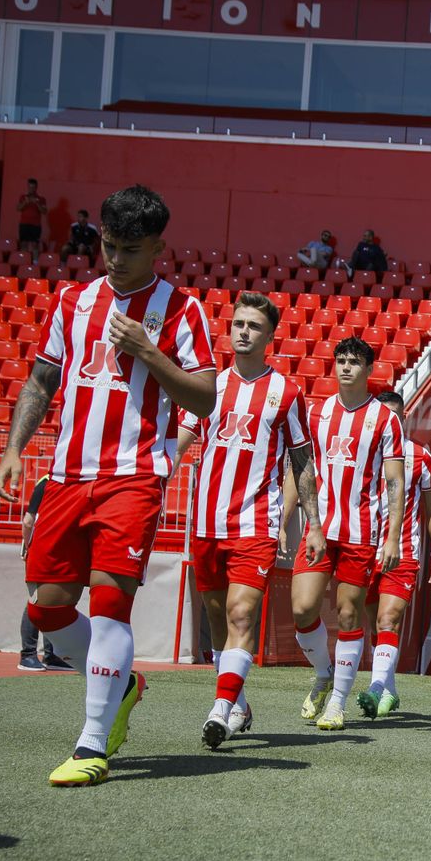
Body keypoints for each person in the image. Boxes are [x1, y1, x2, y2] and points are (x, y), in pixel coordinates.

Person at [0, 184, 216, 787]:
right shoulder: (71, 301)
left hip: (134, 475)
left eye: (130, 249)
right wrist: (15, 449)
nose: (116, 260)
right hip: (66, 475)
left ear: (158, 248)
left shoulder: (180, 310)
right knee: (45, 609)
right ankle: (123, 684)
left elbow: (205, 396)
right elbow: (43, 379)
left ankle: (92, 744)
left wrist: (149, 351)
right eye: (109, 246)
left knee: (111, 602)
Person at [177, 292, 315, 748]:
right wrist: (159, 476)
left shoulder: (287, 393)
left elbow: (302, 461)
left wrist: (311, 523)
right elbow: (182, 436)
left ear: (270, 336)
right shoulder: (208, 386)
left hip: (255, 523)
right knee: (218, 618)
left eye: (254, 326)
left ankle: (219, 711)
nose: (244, 331)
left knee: (241, 613)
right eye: (238, 323)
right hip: (205, 522)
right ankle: (238, 703)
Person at [287, 337, 405, 731]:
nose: (346, 367)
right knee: (303, 608)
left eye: (354, 361)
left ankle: (337, 701)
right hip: (319, 529)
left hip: (361, 532)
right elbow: (302, 470)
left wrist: (391, 537)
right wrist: (297, 519)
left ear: (369, 369)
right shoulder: (317, 413)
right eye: (340, 361)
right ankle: (324, 673)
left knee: (348, 611)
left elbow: (394, 481)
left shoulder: (385, 419)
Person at [355, 389, 431, 718]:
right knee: (375, 628)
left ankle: (376, 689)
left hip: (404, 550)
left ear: (403, 417)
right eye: (384, 415)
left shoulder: (420, 456)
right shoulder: (362, 450)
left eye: (395, 415)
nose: (389, 421)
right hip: (363, 549)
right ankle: (389, 690)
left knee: (387, 619)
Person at [17, 473, 73, 672]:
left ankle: (51, 655)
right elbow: (28, 520)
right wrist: (28, 545)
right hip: (44, 546)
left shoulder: (66, 479)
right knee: (37, 599)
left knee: (53, 600)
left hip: (57, 546)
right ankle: (28, 655)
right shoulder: (49, 480)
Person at [16, 177, 48, 253]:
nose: (31, 189)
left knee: (35, 245)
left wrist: (37, 203)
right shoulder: (23, 197)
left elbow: (44, 211)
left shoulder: (41, 199)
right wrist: (25, 202)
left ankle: (35, 263)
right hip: (24, 224)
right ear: (27, 187)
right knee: (23, 244)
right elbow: (18, 208)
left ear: (36, 187)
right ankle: (24, 263)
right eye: (30, 187)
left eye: (33, 187)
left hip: (35, 225)